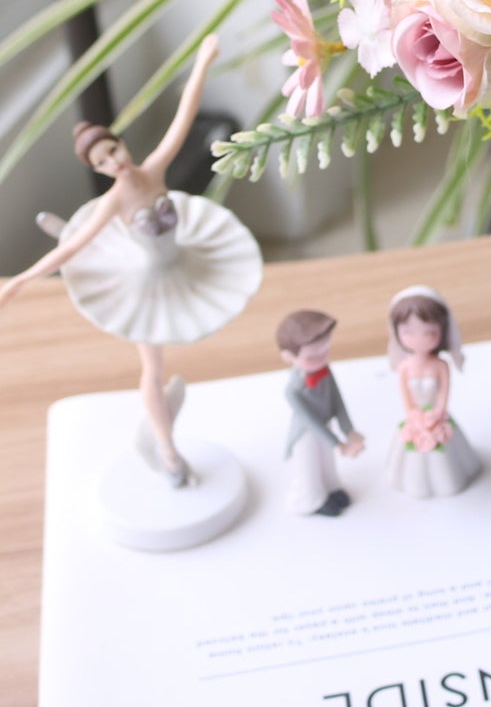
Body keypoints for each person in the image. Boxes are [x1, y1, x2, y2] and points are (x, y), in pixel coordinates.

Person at [0, 34, 262, 486]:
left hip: (185, 260)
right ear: (98, 170)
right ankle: (166, 446)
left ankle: (164, 437)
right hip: (147, 282)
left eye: (113, 151)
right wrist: (20, 280)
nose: (114, 164)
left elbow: (183, 120)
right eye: (102, 163)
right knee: (152, 365)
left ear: (122, 144)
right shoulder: (115, 201)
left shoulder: (153, 170)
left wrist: (202, 60)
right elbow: (72, 248)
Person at [384, 285, 481, 498]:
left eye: (428, 333)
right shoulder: (405, 367)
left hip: (437, 416)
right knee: (411, 458)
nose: (419, 339)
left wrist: (438, 411)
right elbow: (406, 397)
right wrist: (413, 414)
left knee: (445, 458)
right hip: (415, 417)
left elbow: (444, 392)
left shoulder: (441, 365)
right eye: (408, 332)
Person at [277, 308, 365, 516]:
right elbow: (310, 421)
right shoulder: (293, 390)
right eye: (313, 356)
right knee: (309, 467)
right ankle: (312, 500)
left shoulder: (326, 371)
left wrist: (349, 431)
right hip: (306, 433)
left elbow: (338, 402)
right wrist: (338, 444)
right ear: (289, 356)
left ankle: (332, 488)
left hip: (326, 426)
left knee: (327, 462)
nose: (321, 358)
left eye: (325, 350)